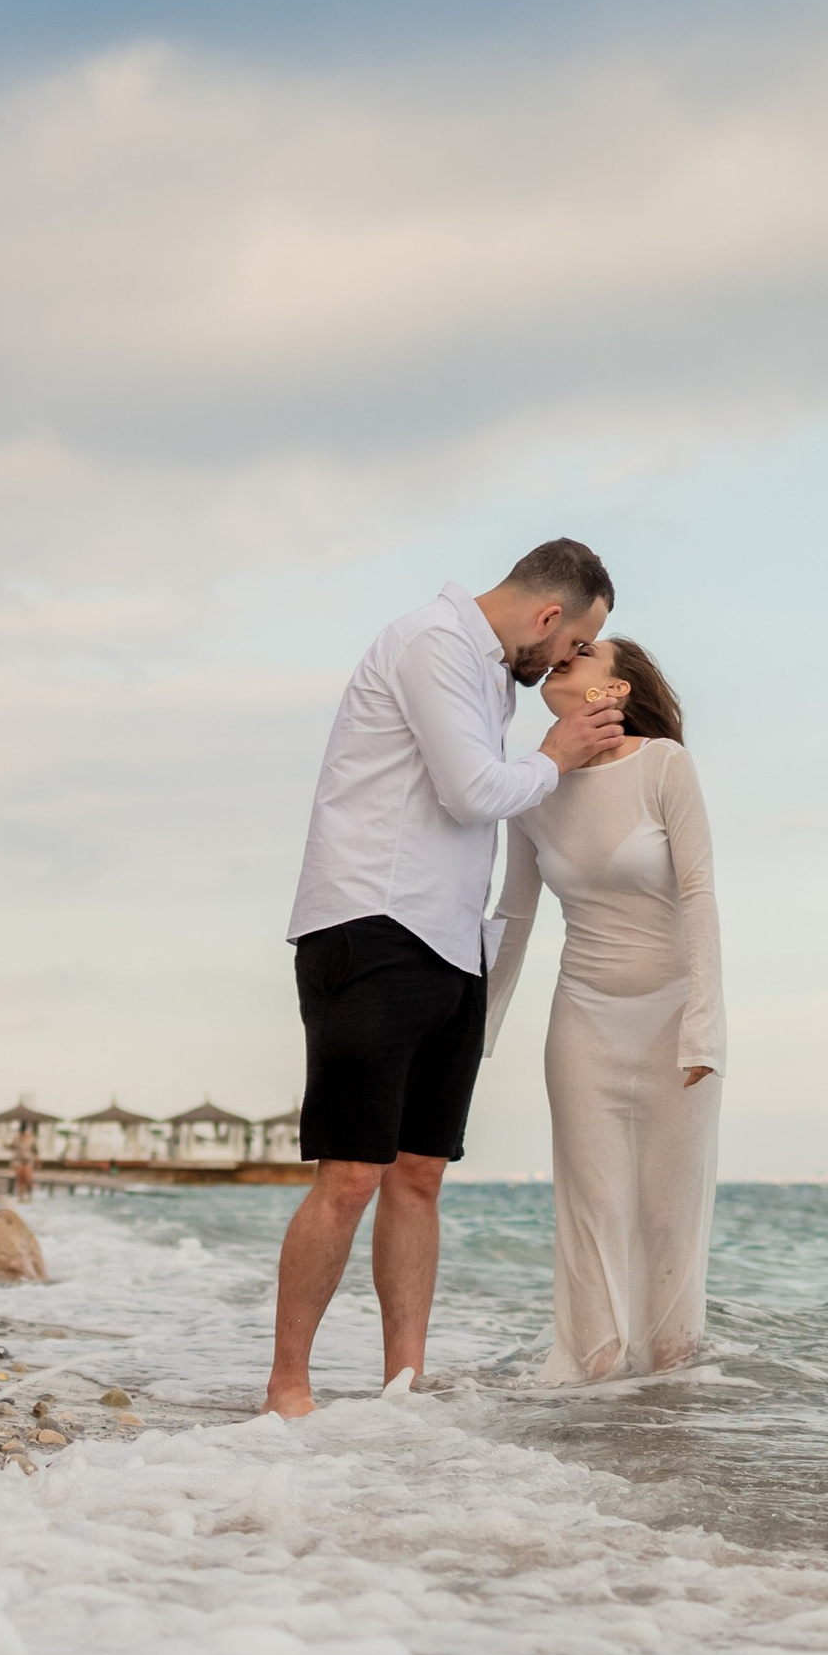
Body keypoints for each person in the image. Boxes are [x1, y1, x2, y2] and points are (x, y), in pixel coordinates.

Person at [264, 540, 626, 1415]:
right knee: (350, 1173)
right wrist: (561, 753)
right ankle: (287, 1389)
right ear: (547, 617)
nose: (570, 661)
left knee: (420, 1171)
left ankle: (405, 1385)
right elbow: (472, 791)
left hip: (450, 941)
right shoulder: (432, 641)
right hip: (370, 924)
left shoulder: (492, 672)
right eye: (575, 643)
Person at [484, 634, 722, 1380]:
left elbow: (700, 895)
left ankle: (669, 1387)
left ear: (615, 691)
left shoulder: (664, 766)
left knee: (664, 1215)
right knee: (591, 1211)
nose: (567, 653)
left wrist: (705, 1026)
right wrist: (474, 1031)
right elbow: (513, 916)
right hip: (583, 1014)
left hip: (672, 1015)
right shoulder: (534, 789)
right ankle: (594, 1382)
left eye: (588, 653)